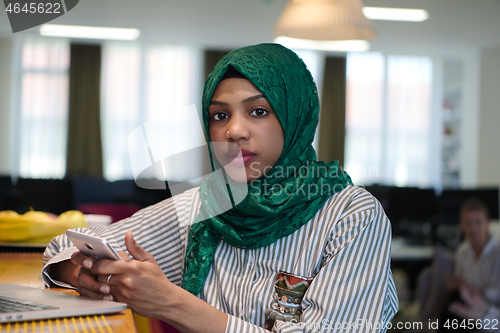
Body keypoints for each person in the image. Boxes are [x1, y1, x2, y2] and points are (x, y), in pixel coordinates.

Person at [42, 43, 398, 332]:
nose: (234, 131)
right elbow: (64, 246)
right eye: (220, 115)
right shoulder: (205, 203)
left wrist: (171, 303)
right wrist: (85, 276)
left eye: (258, 111)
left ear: (296, 117)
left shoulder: (352, 215)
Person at [440, 198, 500, 332]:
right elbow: (462, 288)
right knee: (448, 312)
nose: (473, 228)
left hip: (489, 307)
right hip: (468, 302)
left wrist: (474, 290)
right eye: (468, 223)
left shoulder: (497, 252)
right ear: (461, 225)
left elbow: (496, 295)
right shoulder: (461, 252)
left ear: (487, 224)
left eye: (478, 222)